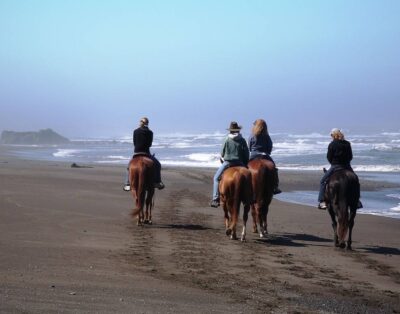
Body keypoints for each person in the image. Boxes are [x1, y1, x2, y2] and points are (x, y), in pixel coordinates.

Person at [318, 128, 362, 209]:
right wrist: (346, 163)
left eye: (331, 135)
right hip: (347, 166)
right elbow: (350, 156)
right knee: (356, 180)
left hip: (335, 166)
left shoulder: (332, 144)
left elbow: (329, 157)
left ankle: (322, 201)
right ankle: (357, 201)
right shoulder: (347, 144)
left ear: (333, 135)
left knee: (322, 181)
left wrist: (333, 163)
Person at [210, 121, 249, 208]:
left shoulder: (226, 139)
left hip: (228, 163)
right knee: (249, 178)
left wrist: (225, 155)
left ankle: (215, 199)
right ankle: (249, 197)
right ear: (238, 130)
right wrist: (245, 163)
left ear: (230, 130)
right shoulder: (242, 140)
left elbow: (222, 153)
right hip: (240, 163)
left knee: (216, 178)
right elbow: (246, 154)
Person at [123, 117, 164, 191]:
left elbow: (134, 143)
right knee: (158, 165)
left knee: (128, 167)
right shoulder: (150, 132)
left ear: (140, 122)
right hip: (146, 153)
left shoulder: (135, 131)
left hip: (137, 152)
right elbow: (150, 144)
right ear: (147, 123)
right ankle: (157, 182)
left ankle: (127, 184)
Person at [248, 119, 281, 195]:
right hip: (265, 154)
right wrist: (268, 152)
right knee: (274, 168)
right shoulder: (266, 136)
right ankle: (275, 186)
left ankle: (245, 185)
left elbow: (249, 146)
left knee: (245, 168)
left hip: (254, 155)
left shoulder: (252, 135)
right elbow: (270, 146)